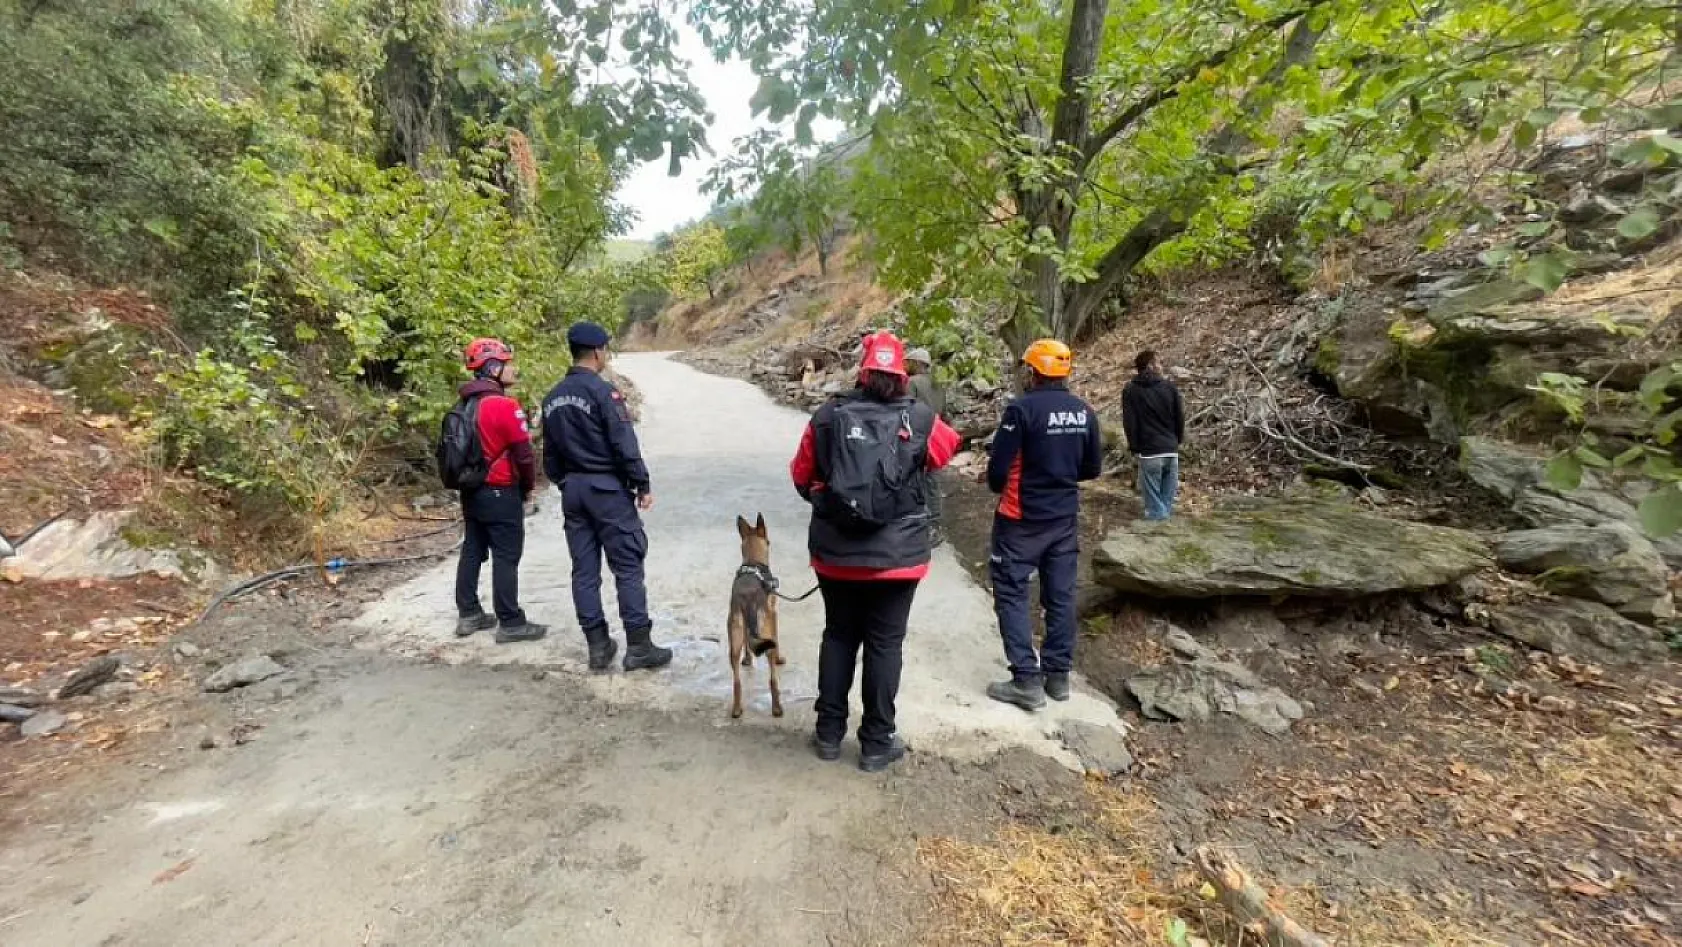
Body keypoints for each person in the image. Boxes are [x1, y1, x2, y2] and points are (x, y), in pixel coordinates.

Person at [790, 331, 961, 772]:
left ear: (862, 371)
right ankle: (875, 744)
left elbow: (800, 474)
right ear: (901, 374)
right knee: (885, 644)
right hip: (898, 559)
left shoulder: (828, 416)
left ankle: (829, 735)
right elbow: (945, 453)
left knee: (839, 636)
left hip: (836, 555)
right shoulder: (921, 418)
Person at [541, 322, 673, 673]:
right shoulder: (604, 393)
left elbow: (549, 457)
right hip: (607, 491)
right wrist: (641, 483)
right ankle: (639, 646)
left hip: (574, 492)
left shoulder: (552, 397)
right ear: (598, 352)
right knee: (628, 567)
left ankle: (598, 647)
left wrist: (567, 484)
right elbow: (623, 443)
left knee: (584, 571)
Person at [984, 339, 1103, 711]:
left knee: (1011, 591)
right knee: (1061, 595)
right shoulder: (1084, 412)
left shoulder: (1020, 411)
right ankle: (1058, 676)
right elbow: (1092, 469)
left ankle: (1025, 680)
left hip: (1021, 520)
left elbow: (997, 472)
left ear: (1033, 372)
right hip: (1063, 518)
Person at [453, 338, 547, 643]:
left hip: (472, 491)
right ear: (493, 368)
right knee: (506, 554)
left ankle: (469, 614)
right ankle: (510, 621)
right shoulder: (503, 405)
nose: (512, 368)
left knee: (472, 549)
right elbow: (523, 454)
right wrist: (528, 488)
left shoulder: (464, 405)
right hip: (500, 490)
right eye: (507, 363)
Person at [1122, 349, 1185, 522]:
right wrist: (1177, 440)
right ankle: (1164, 536)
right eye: (1159, 362)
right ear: (1150, 365)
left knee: (1154, 506)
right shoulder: (1170, 388)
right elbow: (1179, 417)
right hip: (1170, 450)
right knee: (1165, 501)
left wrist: (1134, 447)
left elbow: (1130, 422)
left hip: (1149, 452)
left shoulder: (1130, 390)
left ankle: (1156, 538)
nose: (1161, 366)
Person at [905, 347, 948, 547]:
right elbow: (945, 413)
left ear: (917, 363)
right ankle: (935, 526)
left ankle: (918, 525)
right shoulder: (938, 384)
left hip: (917, 437)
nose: (906, 366)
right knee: (932, 481)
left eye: (909, 362)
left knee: (915, 479)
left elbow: (905, 410)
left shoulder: (912, 383)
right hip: (936, 435)